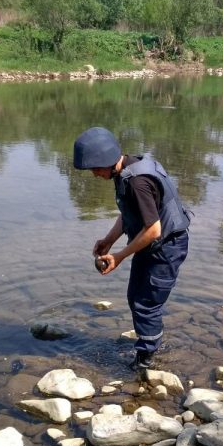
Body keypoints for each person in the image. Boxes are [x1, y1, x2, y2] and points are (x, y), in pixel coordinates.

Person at [73, 127, 191, 372]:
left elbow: (154, 230)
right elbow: (130, 213)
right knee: (135, 296)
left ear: (106, 159)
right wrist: (109, 240)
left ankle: (146, 360)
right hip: (151, 244)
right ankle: (148, 346)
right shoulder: (126, 169)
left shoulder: (137, 181)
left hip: (166, 247)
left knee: (146, 302)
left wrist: (119, 256)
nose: (94, 175)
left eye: (95, 169)